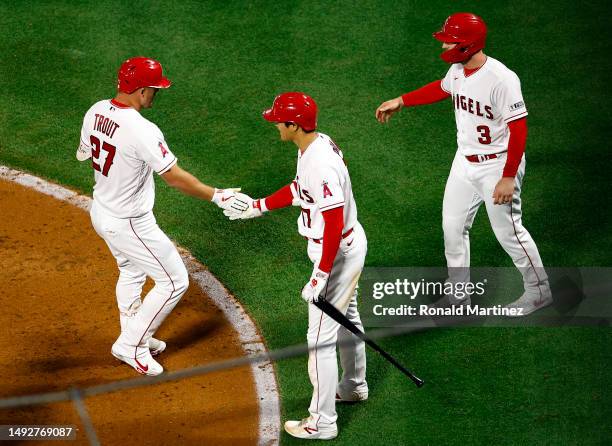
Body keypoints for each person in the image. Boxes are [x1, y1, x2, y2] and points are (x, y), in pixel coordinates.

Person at [77, 56, 245, 376]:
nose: (156, 94)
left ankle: (135, 332)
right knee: (174, 281)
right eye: (154, 89)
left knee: (132, 271)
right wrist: (217, 195)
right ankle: (131, 345)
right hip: (129, 222)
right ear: (141, 90)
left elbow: (84, 152)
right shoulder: (143, 129)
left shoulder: (95, 110)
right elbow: (175, 178)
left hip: (102, 210)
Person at [375, 13, 551, 316]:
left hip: (497, 166)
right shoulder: (458, 70)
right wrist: (401, 100)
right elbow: (443, 89)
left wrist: (508, 177)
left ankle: (539, 291)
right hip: (464, 162)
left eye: (449, 39)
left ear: (467, 45)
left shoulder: (502, 79)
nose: (443, 43)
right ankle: (459, 297)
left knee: (509, 232)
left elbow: (519, 130)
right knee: (452, 228)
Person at [225, 92, 368, 440]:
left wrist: (321, 274)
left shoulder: (319, 163)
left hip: (336, 253)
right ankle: (353, 385)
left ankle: (323, 422)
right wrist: (258, 205)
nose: (274, 124)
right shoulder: (314, 146)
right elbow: (298, 190)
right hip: (345, 246)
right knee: (347, 318)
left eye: (279, 120)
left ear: (294, 125)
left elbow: (332, 223)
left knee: (319, 338)